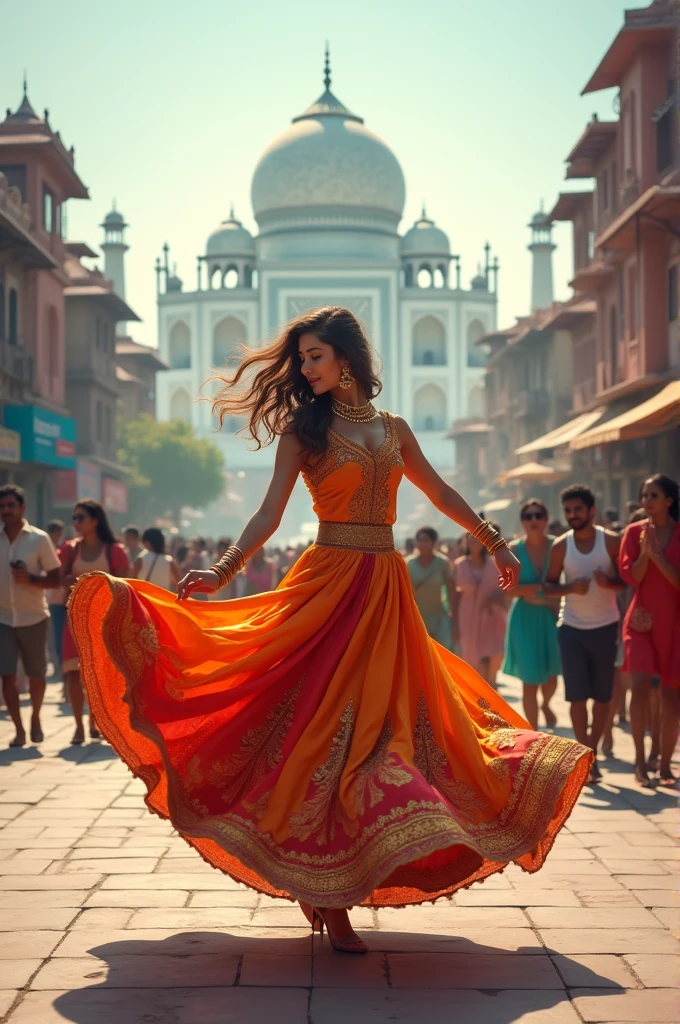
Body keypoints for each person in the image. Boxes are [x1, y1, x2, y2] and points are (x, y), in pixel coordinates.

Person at [68, 306, 592, 953]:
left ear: (346, 358)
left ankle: (352, 875)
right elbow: (268, 514)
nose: (307, 369)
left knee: (394, 734)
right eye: (302, 360)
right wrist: (224, 568)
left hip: (385, 591)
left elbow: (439, 491)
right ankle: (328, 895)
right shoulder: (303, 432)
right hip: (328, 588)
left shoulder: (394, 428)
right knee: (325, 736)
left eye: (316, 357)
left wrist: (496, 541)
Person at [545, 485, 624, 783]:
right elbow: (549, 585)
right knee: (577, 697)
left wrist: (609, 583)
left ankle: (592, 753)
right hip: (571, 629)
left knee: (603, 697)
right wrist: (568, 588)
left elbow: (625, 582)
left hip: (605, 627)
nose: (572, 515)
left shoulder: (612, 542)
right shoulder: (561, 546)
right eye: (567, 510)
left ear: (592, 511)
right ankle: (586, 759)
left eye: (578, 509)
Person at [619, 474, 680, 788]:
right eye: (643, 496)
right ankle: (640, 763)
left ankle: (666, 766)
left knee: (671, 697)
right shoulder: (633, 534)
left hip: (674, 624)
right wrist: (645, 553)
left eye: (653, 495)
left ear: (669, 500)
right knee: (640, 684)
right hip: (640, 622)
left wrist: (658, 555)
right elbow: (634, 578)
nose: (646, 501)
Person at [61, 500, 129, 744]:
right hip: (75, 618)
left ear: (95, 521)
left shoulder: (114, 550)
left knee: (100, 673)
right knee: (72, 672)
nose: (76, 522)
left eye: (80, 517)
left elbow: (124, 585)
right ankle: (78, 725)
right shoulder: (69, 549)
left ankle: (95, 721)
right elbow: (58, 578)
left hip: (105, 620)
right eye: (74, 518)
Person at [0, 485, 61, 746]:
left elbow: (56, 578)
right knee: (7, 676)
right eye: (2, 507)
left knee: (37, 674)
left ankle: (35, 717)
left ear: (22, 508)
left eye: (11, 505)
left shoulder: (39, 539)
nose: (6, 511)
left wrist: (32, 579)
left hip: (34, 617)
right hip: (2, 618)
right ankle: (19, 729)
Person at [502, 499, 560, 731]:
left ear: (546, 520)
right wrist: (539, 588)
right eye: (528, 516)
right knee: (529, 681)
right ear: (522, 522)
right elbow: (508, 592)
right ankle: (534, 734)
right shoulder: (514, 550)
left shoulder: (558, 546)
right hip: (523, 620)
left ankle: (546, 704)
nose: (533, 520)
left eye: (538, 515)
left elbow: (564, 584)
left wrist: (536, 592)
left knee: (551, 677)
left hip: (551, 616)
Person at [453, 527, 507, 683]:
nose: (475, 542)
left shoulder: (495, 564)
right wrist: (454, 624)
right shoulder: (459, 565)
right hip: (468, 619)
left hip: (492, 618)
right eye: (471, 538)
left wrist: (495, 597)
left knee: (494, 656)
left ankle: (491, 693)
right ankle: (481, 700)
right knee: (473, 662)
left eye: (478, 539)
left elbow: (507, 591)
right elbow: (455, 598)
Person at [406, 527, 456, 650]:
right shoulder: (408, 564)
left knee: (442, 655)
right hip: (417, 619)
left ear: (433, 542)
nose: (422, 543)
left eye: (425, 540)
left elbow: (451, 592)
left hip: (439, 618)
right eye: (419, 540)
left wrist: (454, 620)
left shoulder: (442, 563)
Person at [45, 519, 67, 684]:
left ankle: (64, 668)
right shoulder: (45, 549)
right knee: (56, 636)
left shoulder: (66, 549)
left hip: (65, 597)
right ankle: (59, 666)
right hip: (52, 598)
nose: (59, 535)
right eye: (57, 531)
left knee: (65, 636)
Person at [130, 528, 179, 593]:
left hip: (145, 596)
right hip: (162, 599)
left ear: (147, 542)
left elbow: (132, 579)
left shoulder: (141, 558)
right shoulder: (170, 561)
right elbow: (178, 583)